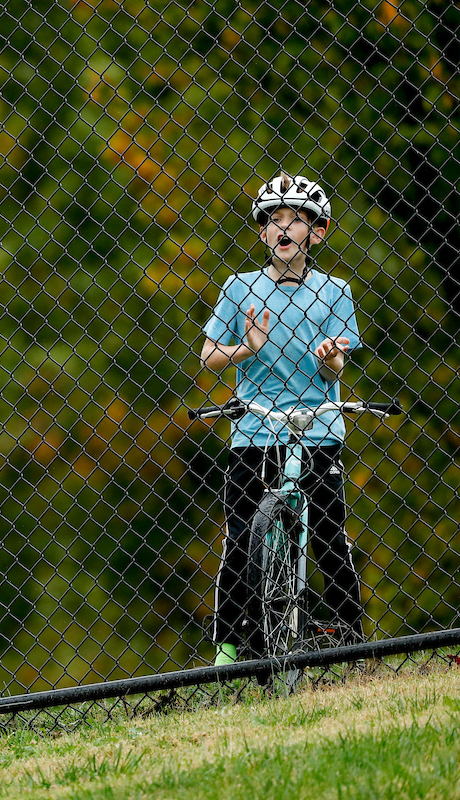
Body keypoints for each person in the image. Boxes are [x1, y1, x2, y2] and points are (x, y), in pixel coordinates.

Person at [198, 171, 364, 666]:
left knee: (330, 534)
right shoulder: (239, 287)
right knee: (241, 533)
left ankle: (350, 639)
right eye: (275, 220)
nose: (285, 229)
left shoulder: (335, 291)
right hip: (255, 427)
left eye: (297, 220)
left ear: (318, 230)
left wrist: (331, 355)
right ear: (264, 231)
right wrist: (245, 348)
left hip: (317, 426)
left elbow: (337, 364)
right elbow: (208, 356)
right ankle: (229, 644)